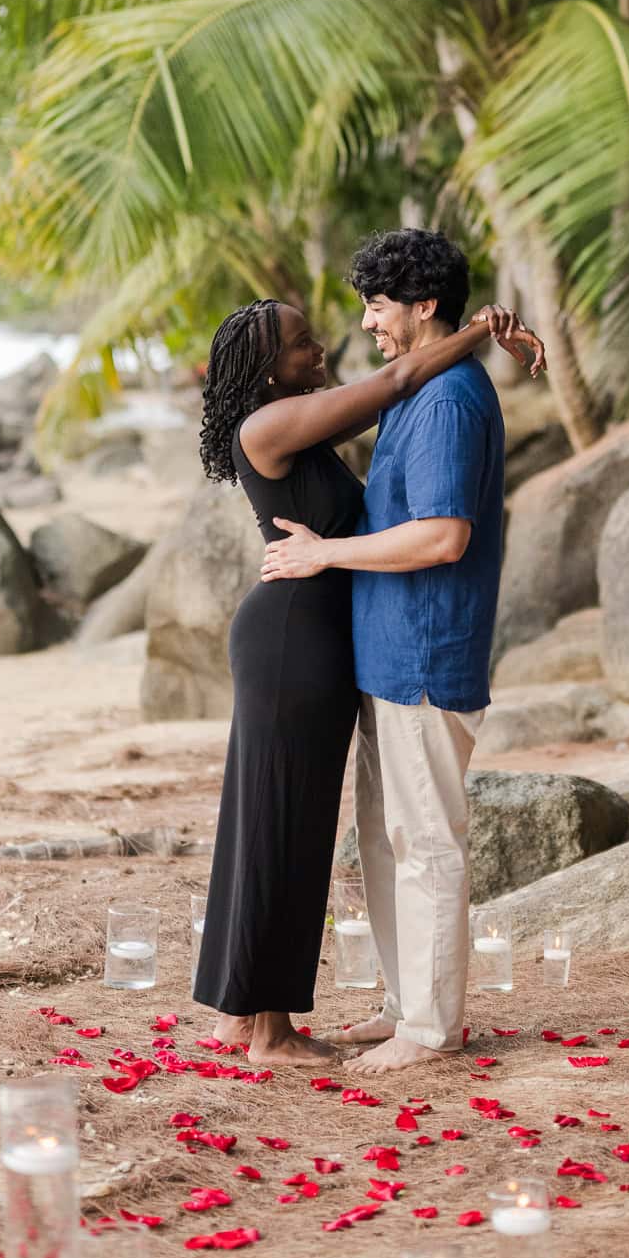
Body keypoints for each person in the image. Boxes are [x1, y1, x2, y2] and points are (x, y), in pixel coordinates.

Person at [194, 285, 542, 1069]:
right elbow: (393, 384)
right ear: (266, 369)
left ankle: (238, 1012)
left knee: (268, 821)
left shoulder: (293, 424)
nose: (320, 351)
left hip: (310, 641)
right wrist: (482, 327)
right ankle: (272, 1032)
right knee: (283, 826)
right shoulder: (270, 424)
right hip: (291, 642)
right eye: (301, 345)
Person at [260, 228, 515, 1072]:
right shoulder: (422, 388)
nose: (367, 323)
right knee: (384, 841)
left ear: (423, 305)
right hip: (388, 656)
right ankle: (408, 1005)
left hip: (427, 655)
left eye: (376, 306)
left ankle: (432, 1029)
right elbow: (398, 496)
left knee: (426, 844)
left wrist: (322, 554)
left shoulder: (447, 402)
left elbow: (442, 535)